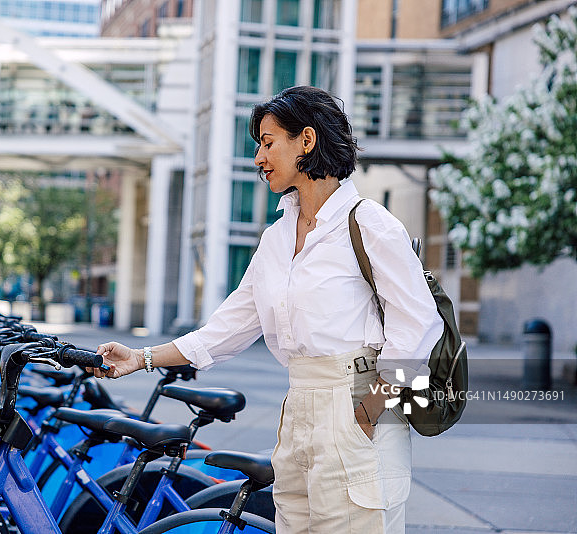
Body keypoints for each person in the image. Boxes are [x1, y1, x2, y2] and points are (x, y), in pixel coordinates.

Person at [89, 86, 443, 534]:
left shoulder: (369, 223)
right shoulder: (277, 238)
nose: (259, 157)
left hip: (358, 401)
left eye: (269, 142)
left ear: (307, 141)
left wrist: (369, 412)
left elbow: (420, 326)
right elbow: (228, 327)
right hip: (298, 406)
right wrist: (140, 359)